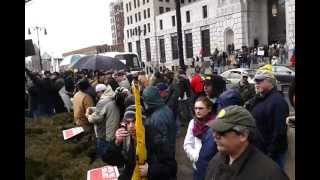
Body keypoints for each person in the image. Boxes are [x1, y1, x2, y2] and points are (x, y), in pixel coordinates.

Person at [205, 105, 289, 180]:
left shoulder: (270, 174)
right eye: (214, 130)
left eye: (221, 131)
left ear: (243, 135)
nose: (215, 136)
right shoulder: (216, 160)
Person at [114, 105, 177, 180]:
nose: (131, 126)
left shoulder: (156, 138)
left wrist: (150, 170)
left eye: (135, 121)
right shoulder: (128, 138)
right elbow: (127, 165)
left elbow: (172, 168)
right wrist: (117, 143)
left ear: (142, 122)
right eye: (127, 122)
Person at [245, 70, 289, 169]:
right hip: (260, 151)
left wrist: (270, 154)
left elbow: (279, 132)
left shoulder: (278, 102)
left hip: (271, 155)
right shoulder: (260, 98)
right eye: (255, 81)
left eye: (259, 81)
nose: (256, 84)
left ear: (270, 82)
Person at [184, 96, 217, 180]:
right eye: (196, 108)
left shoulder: (216, 123)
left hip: (213, 167)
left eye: (201, 108)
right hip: (198, 166)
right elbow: (187, 144)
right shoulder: (193, 122)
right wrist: (197, 157)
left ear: (209, 109)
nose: (197, 111)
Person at [86, 84, 120, 160]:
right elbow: (106, 109)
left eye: (97, 93)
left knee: (105, 156)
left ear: (100, 92)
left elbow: (95, 119)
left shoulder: (103, 101)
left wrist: (88, 115)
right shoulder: (111, 96)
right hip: (113, 130)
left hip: (104, 133)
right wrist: (94, 108)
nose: (97, 95)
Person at [142, 86, 177, 151]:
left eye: (144, 100)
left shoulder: (156, 118)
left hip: (162, 157)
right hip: (170, 149)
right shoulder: (165, 108)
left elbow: (161, 143)